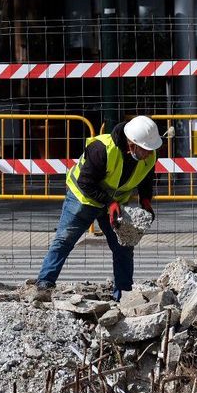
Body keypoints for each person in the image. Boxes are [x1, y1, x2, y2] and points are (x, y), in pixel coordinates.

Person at [35, 115, 163, 300]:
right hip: (82, 199)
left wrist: (146, 201)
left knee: (123, 247)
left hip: (114, 203)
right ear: (132, 144)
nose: (150, 154)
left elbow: (146, 180)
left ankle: (124, 295)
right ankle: (44, 285)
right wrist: (109, 203)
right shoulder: (101, 149)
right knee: (64, 241)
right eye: (145, 150)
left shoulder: (149, 154)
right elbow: (85, 182)